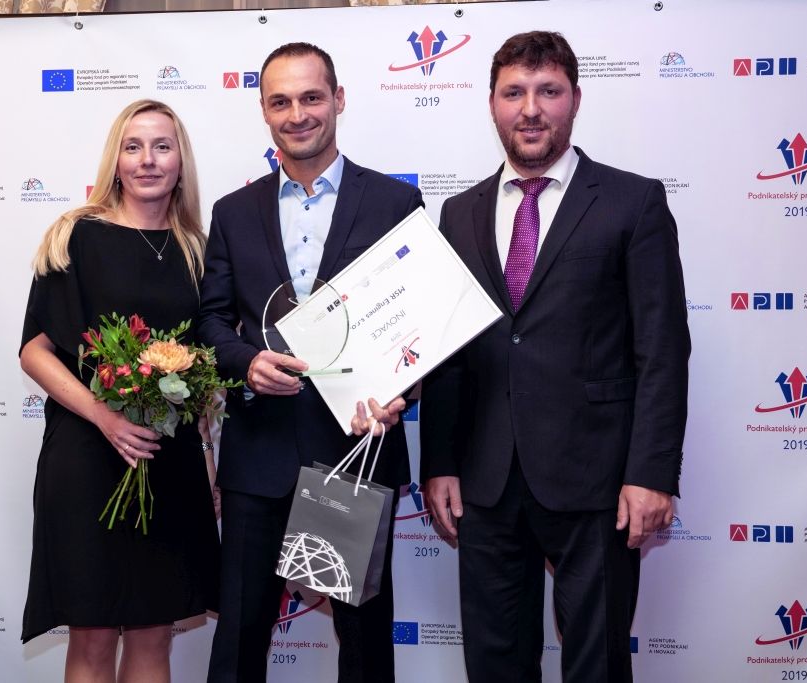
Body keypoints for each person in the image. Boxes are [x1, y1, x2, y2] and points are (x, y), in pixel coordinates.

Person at [421, 31, 689, 683]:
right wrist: (440, 462)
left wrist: (652, 472)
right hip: (485, 480)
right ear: (492, 103)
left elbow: (662, 347)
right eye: (514, 92)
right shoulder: (459, 213)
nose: (531, 108)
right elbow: (448, 352)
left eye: (548, 91)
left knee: (596, 664)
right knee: (494, 663)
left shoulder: (633, 201)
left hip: (598, 479)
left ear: (575, 99)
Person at [197, 42, 423, 683]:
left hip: (355, 451)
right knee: (239, 643)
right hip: (260, 456)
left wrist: (401, 389)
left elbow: (420, 326)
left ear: (338, 100)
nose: (297, 114)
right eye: (281, 101)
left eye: (311, 97)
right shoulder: (232, 213)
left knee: (364, 646)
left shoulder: (395, 203)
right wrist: (245, 364)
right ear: (264, 112)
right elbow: (210, 322)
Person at [19, 99, 219, 683]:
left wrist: (208, 461)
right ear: (116, 159)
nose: (147, 160)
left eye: (162, 146)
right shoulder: (76, 237)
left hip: (169, 460)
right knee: (93, 636)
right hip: (87, 457)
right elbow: (34, 351)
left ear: (181, 161)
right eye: (133, 147)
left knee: (155, 636)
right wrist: (104, 415)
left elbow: (203, 376)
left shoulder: (198, 252)